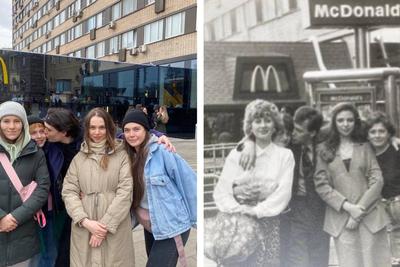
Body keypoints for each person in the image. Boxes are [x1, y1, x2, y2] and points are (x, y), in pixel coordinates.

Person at [239, 106, 330, 267]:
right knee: (291, 256)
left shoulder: (315, 148)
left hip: (317, 210)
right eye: (290, 131)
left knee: (317, 255)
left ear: (312, 133)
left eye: (296, 131)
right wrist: (249, 143)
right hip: (285, 211)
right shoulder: (266, 151)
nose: (291, 136)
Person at [214, 99, 295, 266]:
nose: (263, 125)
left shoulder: (284, 156)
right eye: (257, 121)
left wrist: (257, 211)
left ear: (275, 125)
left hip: (268, 223)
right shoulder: (237, 154)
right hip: (237, 224)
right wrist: (239, 209)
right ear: (250, 126)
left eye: (268, 120)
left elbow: (283, 192)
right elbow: (222, 190)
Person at [314, 102, 391, 267]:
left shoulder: (366, 146)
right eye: (340, 120)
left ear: (356, 122)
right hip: (342, 220)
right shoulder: (323, 149)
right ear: (334, 122)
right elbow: (322, 185)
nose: (345, 124)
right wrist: (349, 208)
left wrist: (359, 210)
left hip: (370, 216)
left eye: (350, 120)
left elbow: (377, 180)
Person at [122, 109, 196, 267]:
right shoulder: (126, 156)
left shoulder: (163, 152)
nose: (131, 134)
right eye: (127, 130)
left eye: (137, 129)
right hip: (150, 225)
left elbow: (189, 184)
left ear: (146, 130)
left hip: (171, 224)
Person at [62, 107, 134, 267]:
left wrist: (103, 227)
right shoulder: (79, 158)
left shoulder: (121, 155)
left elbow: (125, 192)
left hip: (115, 225)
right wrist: (85, 221)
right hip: (84, 225)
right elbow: (69, 191)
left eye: (101, 127)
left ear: (109, 128)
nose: (97, 132)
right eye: (92, 127)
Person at [0, 101, 50, 267]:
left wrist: (14, 217)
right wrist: (1, 218)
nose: (12, 126)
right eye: (6, 121)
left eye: (17, 121)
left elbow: (42, 189)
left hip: (24, 234)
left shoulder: (36, 153)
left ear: (23, 123)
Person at [43, 108, 83, 267]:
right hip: (64, 206)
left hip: (88, 205)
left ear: (64, 132)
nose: (44, 132)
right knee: (63, 252)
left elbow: (122, 137)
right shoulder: (50, 145)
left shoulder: (87, 142)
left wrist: (158, 136)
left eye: (49, 130)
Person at [365, 111, 400, 265]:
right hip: (374, 208)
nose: (377, 135)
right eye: (373, 131)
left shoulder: (396, 150)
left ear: (388, 133)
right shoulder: (364, 153)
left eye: (381, 131)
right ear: (367, 134)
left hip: (396, 206)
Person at [27, 116, 59, 267]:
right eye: (34, 133)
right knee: (40, 251)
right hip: (32, 211)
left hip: (51, 209)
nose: (39, 136)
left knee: (50, 248)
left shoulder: (53, 150)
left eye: (42, 131)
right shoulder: (26, 154)